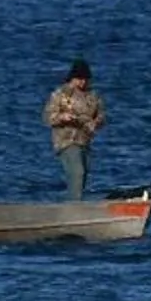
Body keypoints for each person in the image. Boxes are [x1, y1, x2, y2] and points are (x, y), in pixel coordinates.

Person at [42, 59, 106, 200]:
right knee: (77, 172)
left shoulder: (93, 96)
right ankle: (74, 206)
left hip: (84, 141)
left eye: (85, 79)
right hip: (66, 141)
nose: (82, 82)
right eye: (79, 79)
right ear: (73, 78)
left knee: (82, 176)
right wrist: (62, 117)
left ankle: (73, 204)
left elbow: (101, 115)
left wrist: (96, 123)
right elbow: (47, 117)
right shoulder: (60, 94)